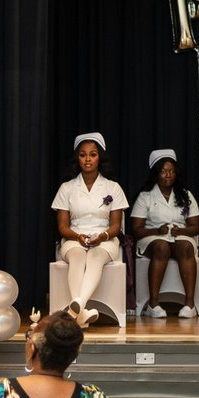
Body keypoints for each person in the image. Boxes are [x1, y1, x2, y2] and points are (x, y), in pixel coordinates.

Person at [51, 132, 129, 327]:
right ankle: (81, 312)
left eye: (92, 154)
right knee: (77, 256)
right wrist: (78, 236)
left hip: (106, 239)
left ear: (99, 158)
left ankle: (77, 306)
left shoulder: (113, 187)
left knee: (95, 256)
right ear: (77, 158)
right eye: (83, 155)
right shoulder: (66, 188)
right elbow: (62, 227)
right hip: (73, 237)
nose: (87, 159)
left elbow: (116, 226)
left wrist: (102, 236)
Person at [130, 149, 199, 319]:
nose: (168, 175)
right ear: (156, 174)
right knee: (161, 247)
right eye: (163, 171)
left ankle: (189, 305)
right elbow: (136, 229)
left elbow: (195, 227)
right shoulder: (145, 196)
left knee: (186, 246)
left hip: (180, 236)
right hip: (152, 238)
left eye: (171, 171)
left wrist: (181, 231)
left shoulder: (186, 195)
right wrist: (156, 231)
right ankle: (153, 305)